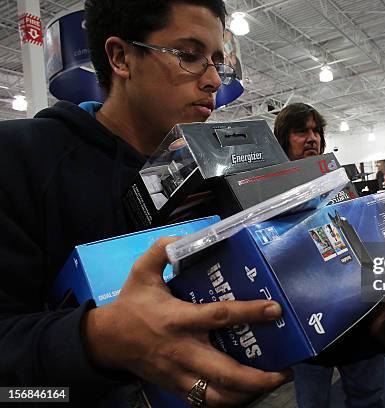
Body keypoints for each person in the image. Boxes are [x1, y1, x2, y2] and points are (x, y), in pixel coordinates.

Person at [0, 1, 292, 406]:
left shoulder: (219, 175)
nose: (212, 81)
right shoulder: (19, 160)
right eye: (189, 56)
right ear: (121, 57)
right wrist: (97, 338)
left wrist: (370, 317)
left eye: (217, 61)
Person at [274, 102, 385, 408]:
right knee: (312, 401)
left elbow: (360, 233)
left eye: (316, 131)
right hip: (308, 316)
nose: (312, 138)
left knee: (368, 397)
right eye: (301, 131)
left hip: (356, 308)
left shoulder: (338, 181)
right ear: (284, 138)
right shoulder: (267, 192)